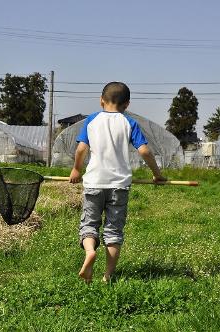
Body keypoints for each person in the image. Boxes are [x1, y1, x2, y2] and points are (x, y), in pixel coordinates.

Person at [69, 81, 167, 283]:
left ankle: (89, 252)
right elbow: (145, 151)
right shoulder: (129, 123)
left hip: (94, 183)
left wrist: (77, 169)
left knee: (89, 224)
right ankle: (108, 276)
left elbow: (80, 149)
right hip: (119, 186)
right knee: (113, 230)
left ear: (101, 101)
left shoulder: (92, 120)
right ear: (127, 104)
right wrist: (157, 174)